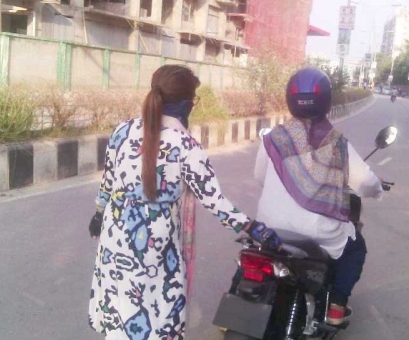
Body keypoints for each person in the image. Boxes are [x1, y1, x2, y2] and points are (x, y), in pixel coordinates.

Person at [87, 65, 281, 340]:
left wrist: (98, 213)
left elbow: (108, 182)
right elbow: (214, 201)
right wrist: (253, 228)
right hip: (153, 247)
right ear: (186, 104)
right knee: (155, 314)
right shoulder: (186, 146)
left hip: (113, 234)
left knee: (120, 310)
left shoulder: (122, 131)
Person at [254, 67, 383, 326]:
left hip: (269, 226)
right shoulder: (337, 144)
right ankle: (336, 307)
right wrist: (376, 191)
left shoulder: (272, 138)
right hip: (316, 232)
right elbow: (366, 183)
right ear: (326, 101)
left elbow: (259, 177)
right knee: (355, 249)